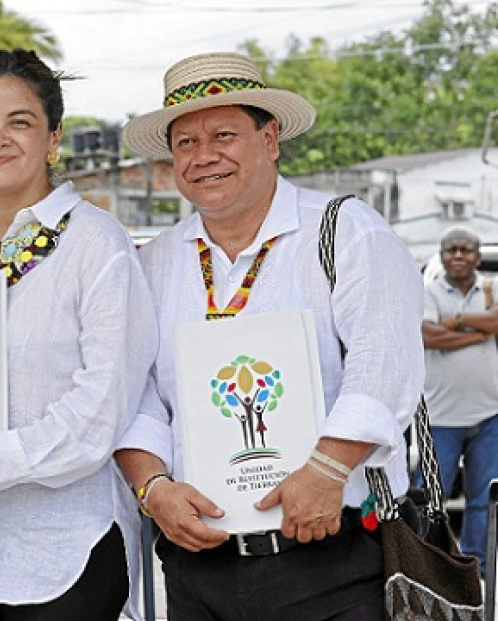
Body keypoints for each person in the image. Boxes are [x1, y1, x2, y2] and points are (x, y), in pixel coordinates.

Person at [115, 51, 424, 620]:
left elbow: (386, 365)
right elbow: (138, 393)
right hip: (200, 566)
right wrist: (153, 488)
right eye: (186, 143)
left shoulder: (344, 231)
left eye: (224, 135)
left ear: (270, 138)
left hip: (332, 558)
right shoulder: (155, 261)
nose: (204, 156)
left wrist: (327, 469)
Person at [0, 49, 158, 620]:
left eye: (20, 122)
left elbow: (103, 407)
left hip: (62, 548)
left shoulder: (96, 243)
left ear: (53, 138)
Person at [420, 224, 498, 573]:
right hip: (440, 418)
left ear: (477, 257)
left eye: (465, 249)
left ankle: (476, 567)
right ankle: (429, 567)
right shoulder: (427, 291)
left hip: (490, 414)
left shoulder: (491, 288)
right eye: (451, 250)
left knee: (484, 499)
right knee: (430, 498)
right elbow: (428, 335)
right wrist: (478, 335)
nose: (458, 255)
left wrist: (457, 320)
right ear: (442, 256)